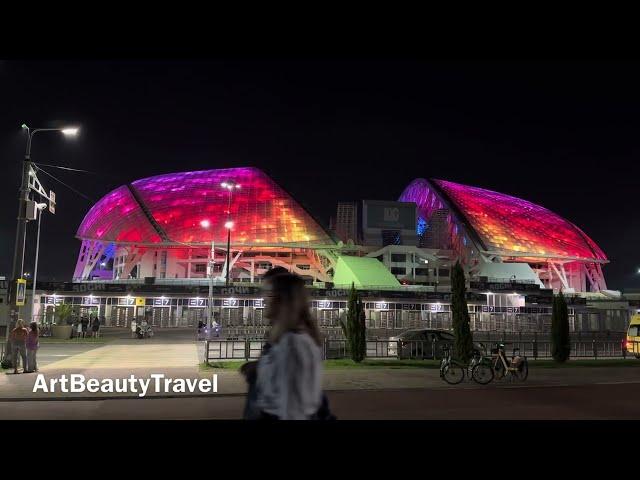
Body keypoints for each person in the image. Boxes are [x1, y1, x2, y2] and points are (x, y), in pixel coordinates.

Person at [253, 272, 325, 420]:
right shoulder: (286, 339)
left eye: (269, 294)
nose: (264, 299)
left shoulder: (292, 344)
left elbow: (293, 409)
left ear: (283, 300)